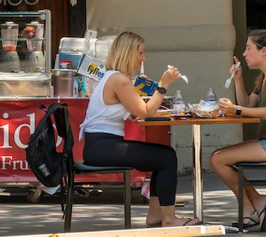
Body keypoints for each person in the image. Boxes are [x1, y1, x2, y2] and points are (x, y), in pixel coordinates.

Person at [77, 31, 201, 227]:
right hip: (103, 147)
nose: (143, 58)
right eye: (141, 53)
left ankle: (155, 215)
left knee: (164, 155)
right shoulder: (120, 80)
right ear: (128, 53)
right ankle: (169, 218)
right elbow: (144, 112)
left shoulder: (113, 77)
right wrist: (163, 85)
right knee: (167, 158)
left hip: (99, 146)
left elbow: (136, 113)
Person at [211, 29, 266, 232]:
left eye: (249, 48)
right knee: (217, 157)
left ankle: (253, 206)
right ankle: (255, 204)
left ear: (264, 51)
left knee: (217, 159)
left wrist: (236, 109)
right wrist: (238, 80)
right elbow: (246, 105)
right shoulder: (265, 76)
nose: (244, 53)